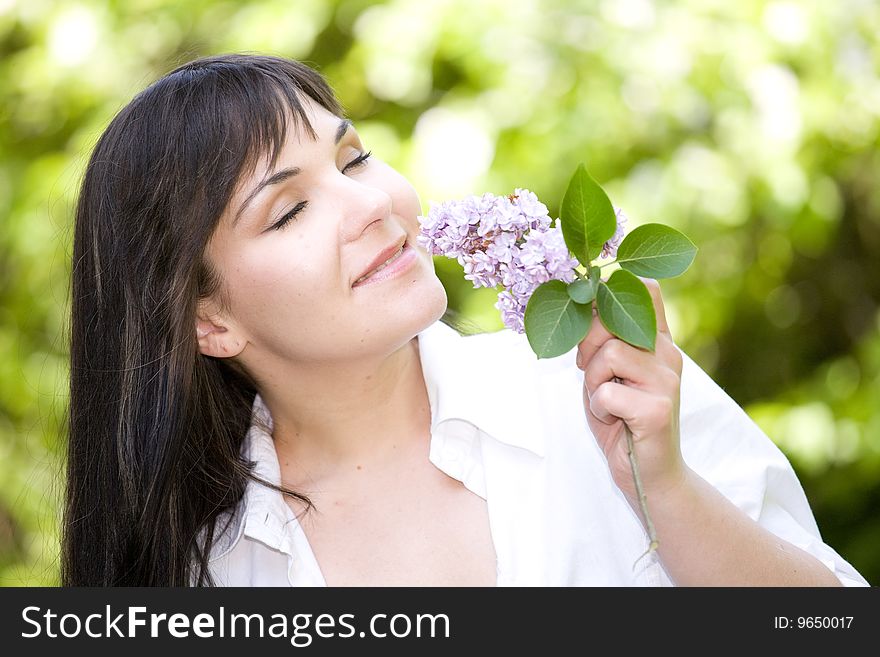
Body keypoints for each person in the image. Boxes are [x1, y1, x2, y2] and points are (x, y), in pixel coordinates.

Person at [64, 53, 868, 587]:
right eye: (289, 211)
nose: (373, 204)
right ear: (210, 322)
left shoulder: (593, 390)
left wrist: (665, 486)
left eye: (354, 159)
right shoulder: (214, 572)